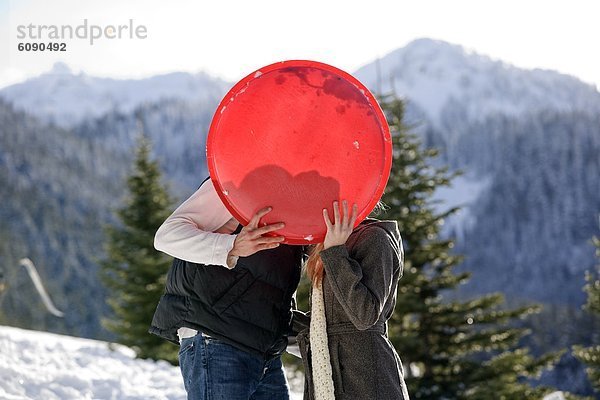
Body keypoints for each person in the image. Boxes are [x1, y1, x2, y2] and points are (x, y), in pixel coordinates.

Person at [149, 177, 306, 400]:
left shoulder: (300, 200)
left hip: (264, 354)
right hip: (217, 340)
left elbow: (272, 288)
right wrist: (231, 246)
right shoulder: (237, 178)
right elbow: (167, 236)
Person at [297, 200, 410, 400]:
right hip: (332, 375)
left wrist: (335, 252)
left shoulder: (376, 238)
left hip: (368, 380)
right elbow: (328, 320)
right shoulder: (326, 242)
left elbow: (365, 315)